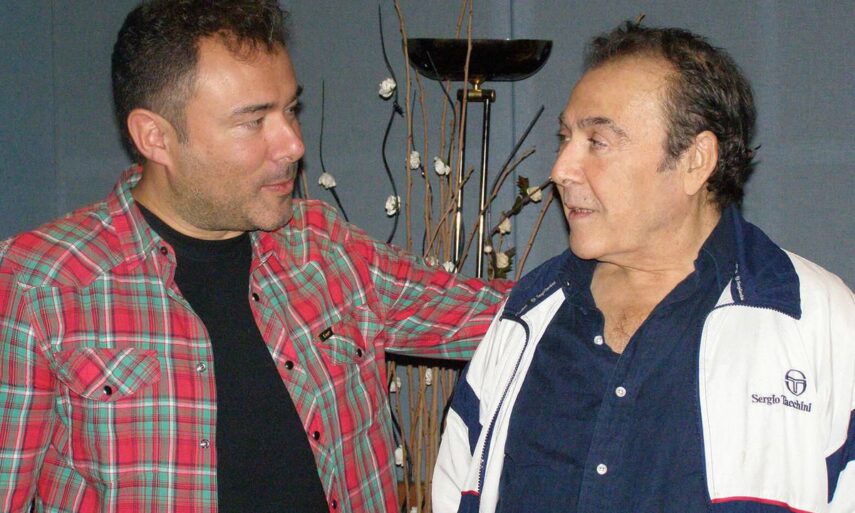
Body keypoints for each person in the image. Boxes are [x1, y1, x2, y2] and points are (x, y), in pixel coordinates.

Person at [0, 1, 510, 512]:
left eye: (290, 109)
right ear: (155, 137)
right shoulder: (40, 285)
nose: (292, 144)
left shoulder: (326, 249)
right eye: (253, 121)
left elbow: (513, 320)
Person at [432, 21, 855, 513]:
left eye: (598, 141)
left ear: (695, 160)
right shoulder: (526, 315)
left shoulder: (816, 321)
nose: (561, 170)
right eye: (565, 138)